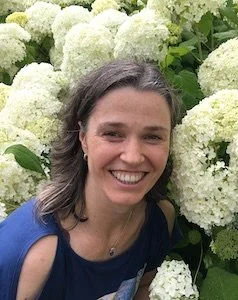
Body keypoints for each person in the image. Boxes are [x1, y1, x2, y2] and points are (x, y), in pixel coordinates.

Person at [0, 60, 182, 299]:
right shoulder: (30, 254)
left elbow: (145, 287)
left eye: (153, 137)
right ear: (83, 138)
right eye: (113, 134)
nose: (133, 157)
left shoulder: (159, 221)